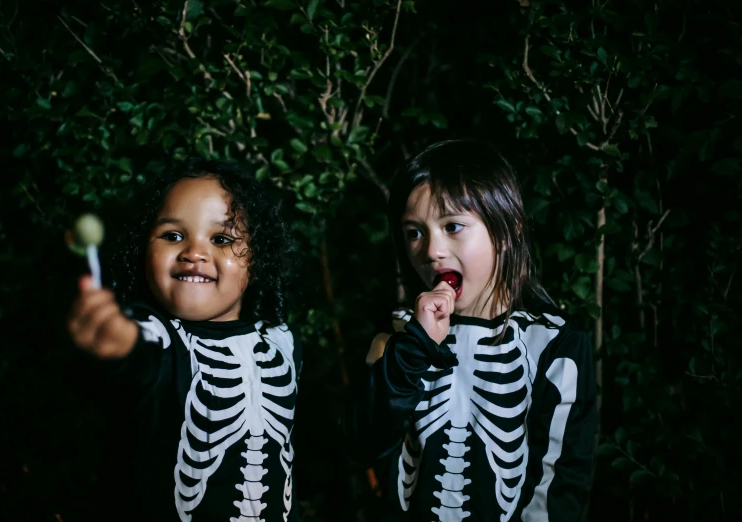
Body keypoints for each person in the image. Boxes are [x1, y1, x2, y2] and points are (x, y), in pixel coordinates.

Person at [344, 140, 597, 521]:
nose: (431, 251)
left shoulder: (556, 347)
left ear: (508, 228)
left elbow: (560, 483)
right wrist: (412, 350)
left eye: (453, 226)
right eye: (414, 232)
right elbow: (362, 443)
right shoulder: (396, 337)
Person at [67, 158, 301, 522]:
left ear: (259, 259)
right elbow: (136, 357)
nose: (194, 252)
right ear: (143, 250)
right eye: (173, 236)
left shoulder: (280, 340)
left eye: (222, 239)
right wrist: (119, 343)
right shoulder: (155, 334)